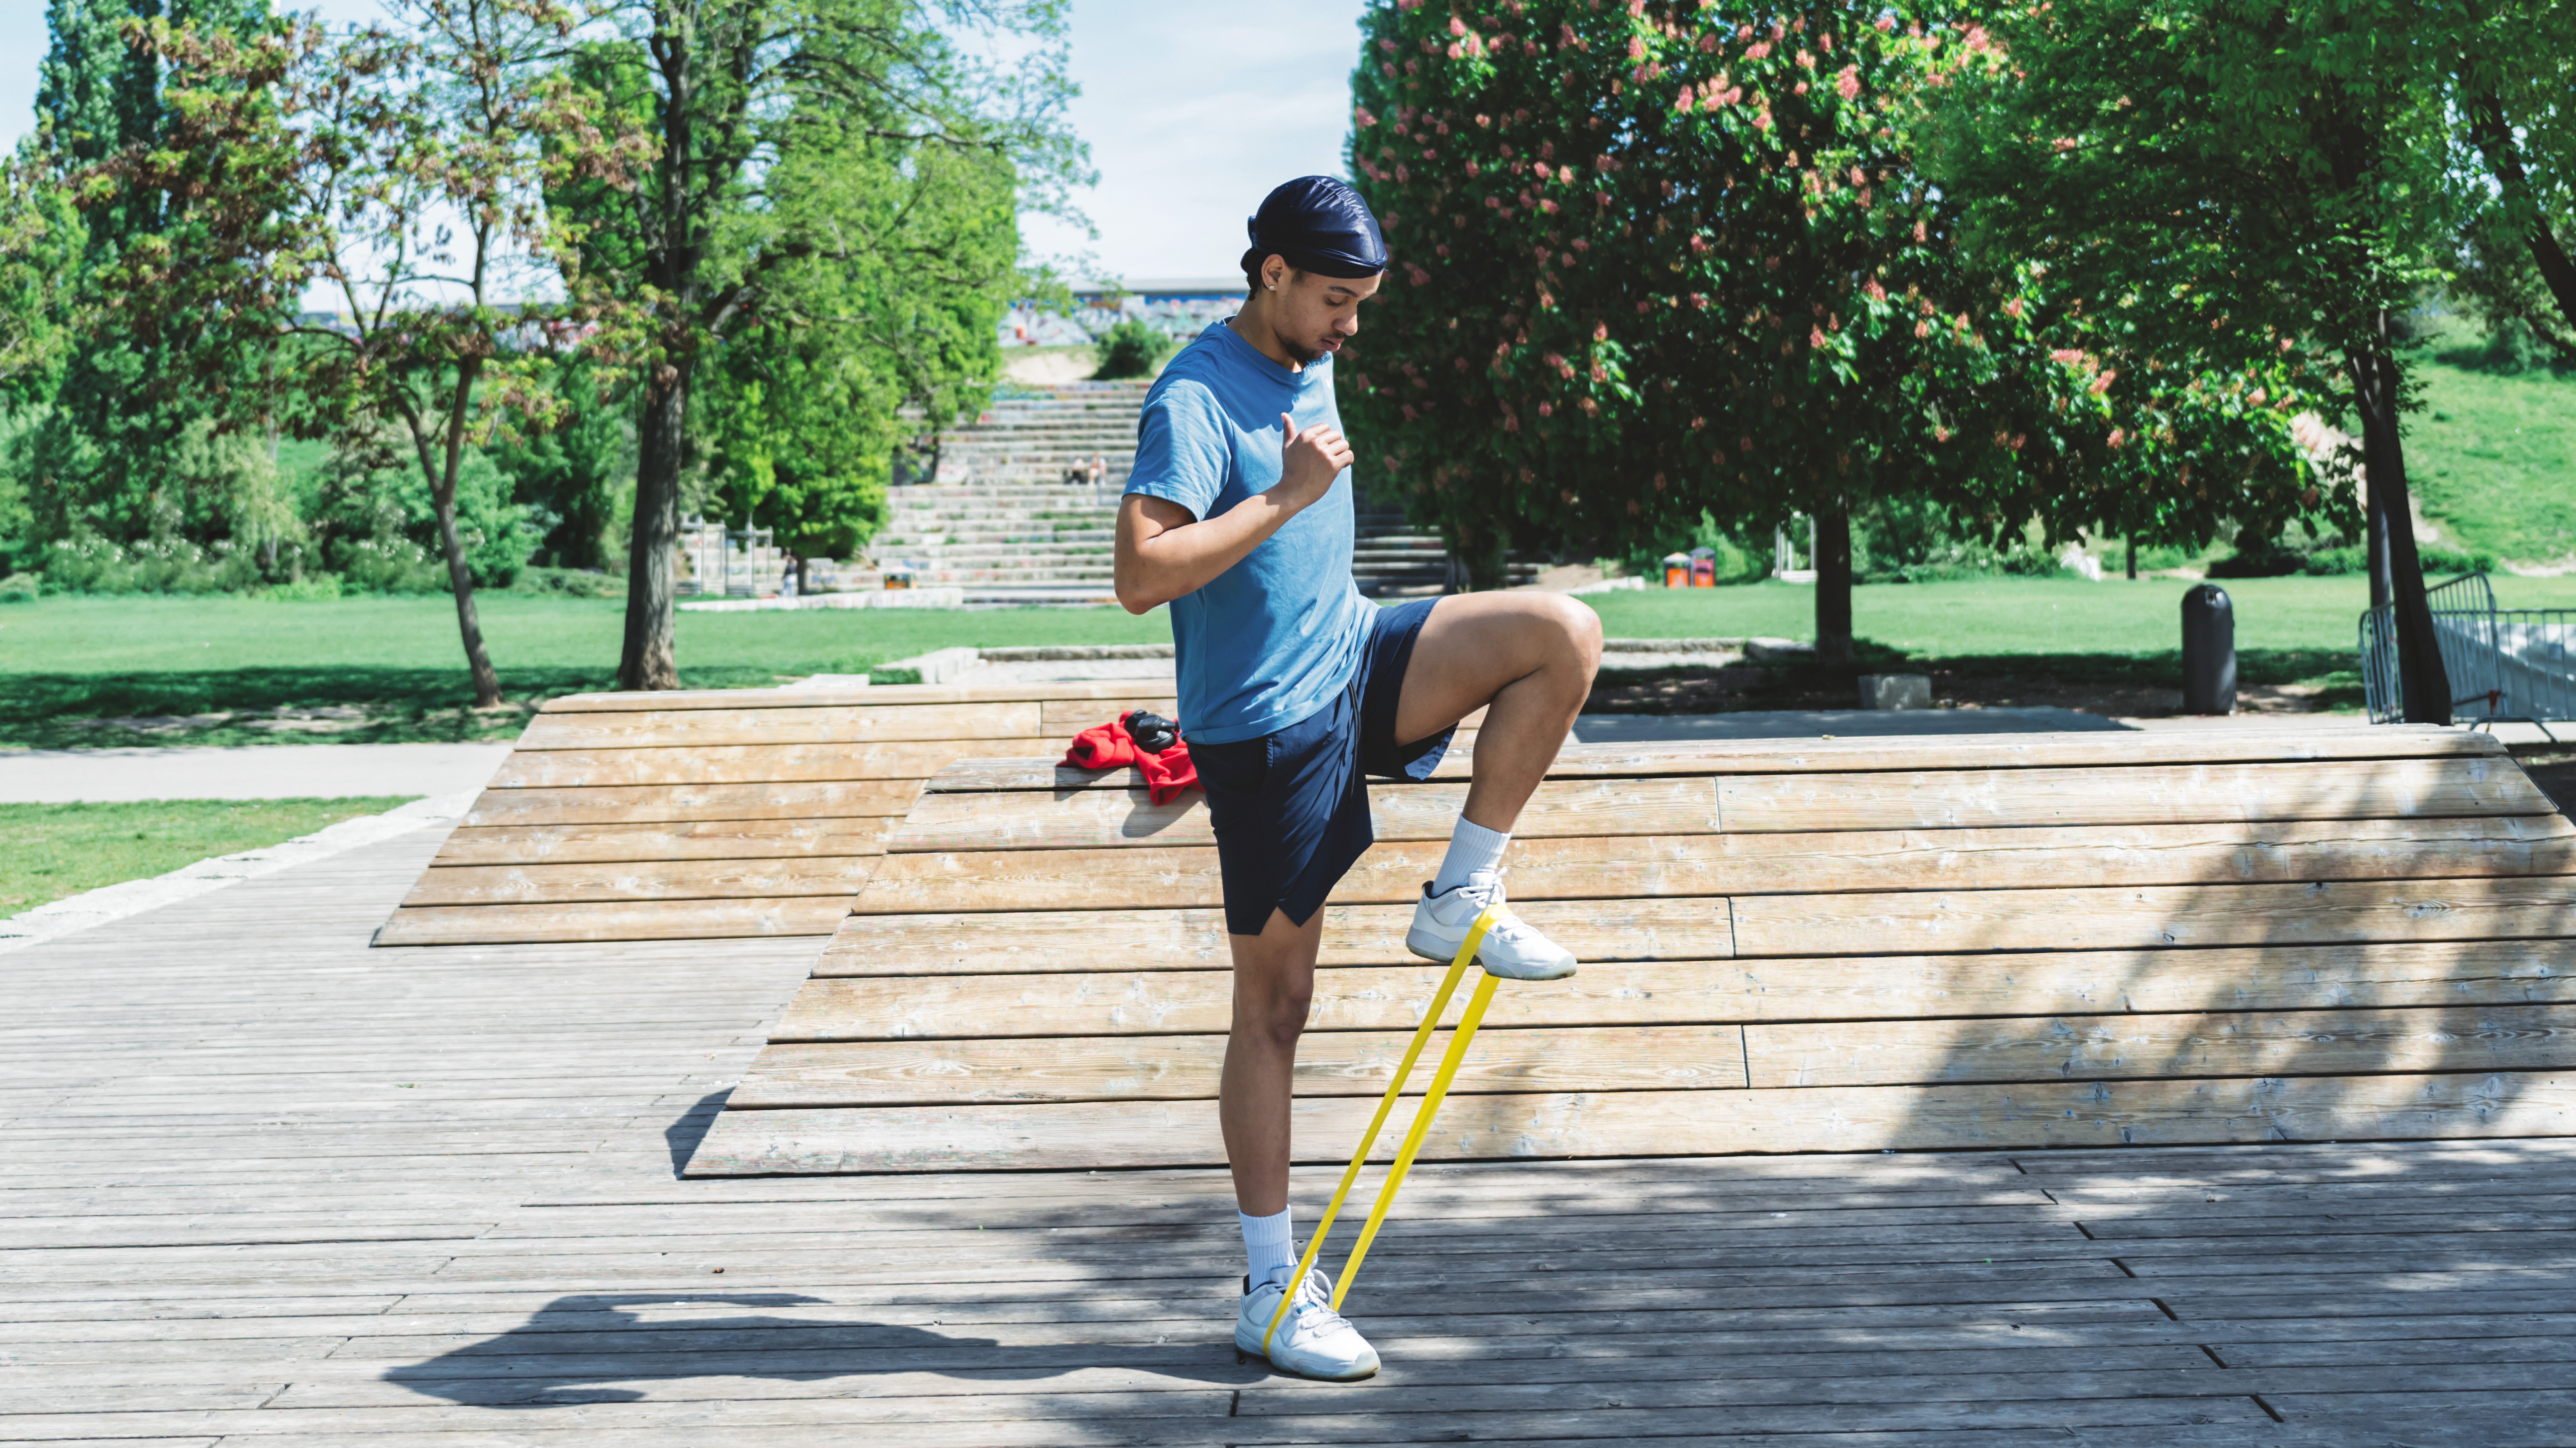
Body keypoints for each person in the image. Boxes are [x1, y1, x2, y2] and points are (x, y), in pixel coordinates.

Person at [1113, 176, 1602, 1382]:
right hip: (1263, 725)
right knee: (1277, 1009)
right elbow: (1139, 574)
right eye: (1336, 301)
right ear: (1269, 272)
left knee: (1561, 632)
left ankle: (1460, 897)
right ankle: (1273, 1288)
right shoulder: (1191, 395)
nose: (1349, 327)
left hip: (1356, 651)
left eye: (1363, 305)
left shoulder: (1310, 348)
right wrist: (1285, 496)